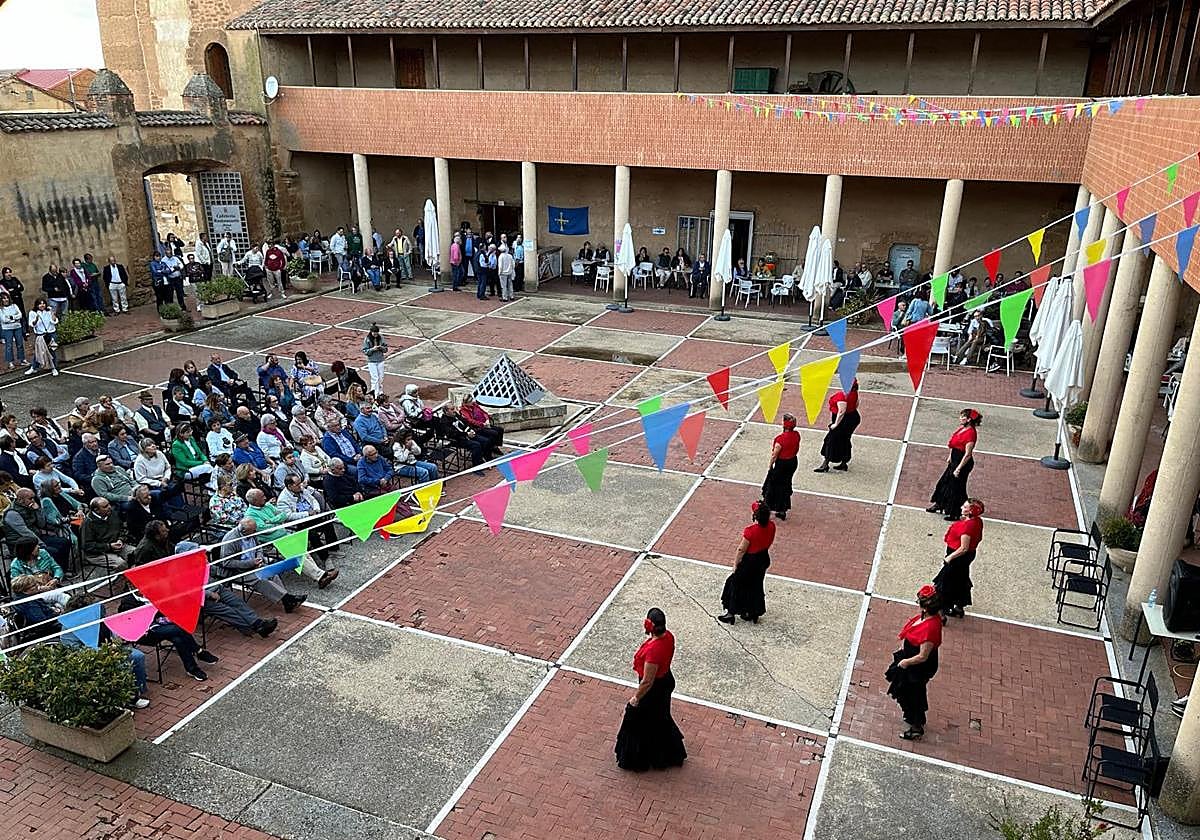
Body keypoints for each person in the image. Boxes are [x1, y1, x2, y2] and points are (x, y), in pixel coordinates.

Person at [615, 607, 687, 772]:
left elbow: (648, 681)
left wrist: (636, 697)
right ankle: (667, 753)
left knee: (641, 721)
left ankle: (641, 758)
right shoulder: (669, 637)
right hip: (665, 681)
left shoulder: (653, 651)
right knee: (660, 719)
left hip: (654, 690)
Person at [885, 585, 943, 741]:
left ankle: (916, 726)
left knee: (913, 695)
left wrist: (905, 662)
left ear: (925, 606)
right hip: (911, 660)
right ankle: (913, 718)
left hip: (917, 667)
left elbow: (923, 656)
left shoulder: (930, 628)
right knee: (909, 692)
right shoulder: (928, 617)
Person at [218, 519, 307, 612]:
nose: (256, 532)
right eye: (253, 531)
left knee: (272, 572)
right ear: (244, 531)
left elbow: (259, 547)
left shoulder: (251, 533)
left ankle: (287, 601)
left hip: (255, 564)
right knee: (260, 580)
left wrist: (259, 558)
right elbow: (226, 562)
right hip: (238, 571)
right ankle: (288, 600)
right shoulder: (231, 540)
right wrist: (251, 563)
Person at [717, 501, 775, 625]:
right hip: (763, 558)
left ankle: (731, 613)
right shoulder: (772, 526)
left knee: (734, 583)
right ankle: (753, 611)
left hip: (750, 561)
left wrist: (735, 564)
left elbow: (741, 549)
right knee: (755, 585)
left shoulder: (750, 531)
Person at [935, 498, 985, 621]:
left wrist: (949, 557)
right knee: (961, 579)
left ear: (971, 511)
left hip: (957, 557)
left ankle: (941, 612)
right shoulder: (977, 521)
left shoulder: (967, 526)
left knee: (944, 582)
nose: (962, 507)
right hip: (967, 557)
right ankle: (959, 607)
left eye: (965, 507)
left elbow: (964, 548)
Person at [927, 408, 982, 520]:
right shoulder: (962, 429)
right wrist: (950, 457)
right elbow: (955, 445)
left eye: (963, 417)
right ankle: (939, 504)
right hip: (954, 461)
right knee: (944, 483)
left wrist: (958, 469)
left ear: (969, 419)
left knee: (957, 489)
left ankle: (956, 513)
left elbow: (967, 454)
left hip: (962, 464)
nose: (960, 418)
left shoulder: (971, 433)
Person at [814, 380, 861, 473]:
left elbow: (841, 411)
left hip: (843, 421)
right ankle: (843, 463)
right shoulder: (854, 393)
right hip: (852, 417)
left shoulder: (842, 395)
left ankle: (825, 464)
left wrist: (835, 424)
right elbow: (856, 403)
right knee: (845, 440)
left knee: (830, 440)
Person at [761, 413, 800, 520]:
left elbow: (774, 454)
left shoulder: (780, 439)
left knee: (772, 485)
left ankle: (767, 508)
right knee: (786, 484)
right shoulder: (797, 434)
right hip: (792, 462)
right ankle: (782, 509)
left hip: (782, 464)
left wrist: (770, 466)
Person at [81, 496, 134, 572]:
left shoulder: (112, 513)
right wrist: (109, 546)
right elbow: (87, 545)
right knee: (121, 564)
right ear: (96, 510)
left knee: (136, 553)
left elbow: (123, 528)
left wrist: (121, 539)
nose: (109, 507)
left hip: (117, 545)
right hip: (98, 553)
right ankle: (120, 581)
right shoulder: (87, 523)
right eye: (105, 506)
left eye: (109, 504)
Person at [25, 297, 57, 377]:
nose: (42, 305)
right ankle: (33, 367)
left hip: (50, 333)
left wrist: (53, 314)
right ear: (36, 305)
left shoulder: (49, 311)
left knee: (52, 350)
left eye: (43, 303)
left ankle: (54, 368)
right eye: (40, 304)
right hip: (40, 335)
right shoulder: (33, 313)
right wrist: (36, 320)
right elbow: (31, 325)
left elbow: (54, 321)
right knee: (38, 352)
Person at [0, 291, 25, 370]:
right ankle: (10, 362)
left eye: (7, 298)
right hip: (7, 329)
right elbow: (3, 319)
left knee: (20, 344)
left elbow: (20, 315)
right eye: (4, 298)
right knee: (9, 345)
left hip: (17, 327)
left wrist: (11, 318)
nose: (6, 300)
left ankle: (22, 359)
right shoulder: (1, 309)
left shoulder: (14, 306)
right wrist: (14, 318)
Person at [362, 323, 389, 394]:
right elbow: (365, 351)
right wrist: (372, 349)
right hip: (372, 361)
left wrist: (381, 348)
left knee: (381, 378)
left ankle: (380, 392)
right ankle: (374, 393)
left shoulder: (381, 338)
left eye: (377, 333)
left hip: (380, 360)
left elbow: (386, 349)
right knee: (375, 378)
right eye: (374, 333)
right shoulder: (367, 339)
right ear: (371, 332)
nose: (376, 335)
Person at [1, 266, 27, 333]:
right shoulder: (2, 282)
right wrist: (16, 288)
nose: (9, 274)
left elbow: (21, 288)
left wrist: (13, 289)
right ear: (4, 274)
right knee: (14, 314)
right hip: (11, 300)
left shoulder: (14, 279)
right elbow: (7, 293)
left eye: (10, 272)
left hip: (18, 298)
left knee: (22, 314)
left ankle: (25, 330)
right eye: (7, 272)